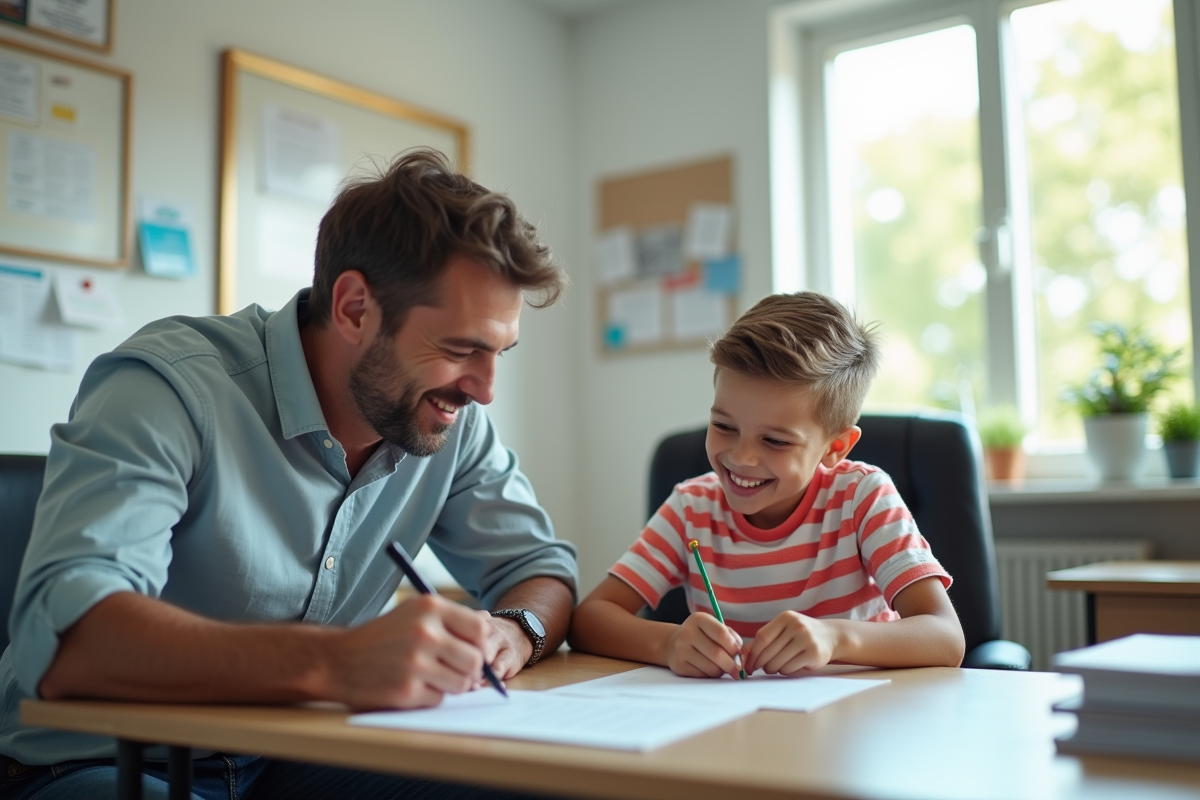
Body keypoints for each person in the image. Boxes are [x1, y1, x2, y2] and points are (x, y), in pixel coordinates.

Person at [0, 148, 578, 799]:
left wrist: (515, 630)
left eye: (499, 353)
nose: (486, 389)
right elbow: (71, 640)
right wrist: (339, 664)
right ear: (355, 307)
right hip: (100, 759)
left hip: (288, 752)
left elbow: (542, 570)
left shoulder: (449, 421)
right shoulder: (170, 388)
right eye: (459, 349)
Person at [568, 291, 964, 678]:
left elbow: (946, 637)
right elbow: (589, 621)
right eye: (724, 426)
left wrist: (836, 638)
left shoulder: (862, 498)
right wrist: (667, 644)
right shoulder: (692, 508)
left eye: (775, 441)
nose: (741, 457)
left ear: (835, 447)